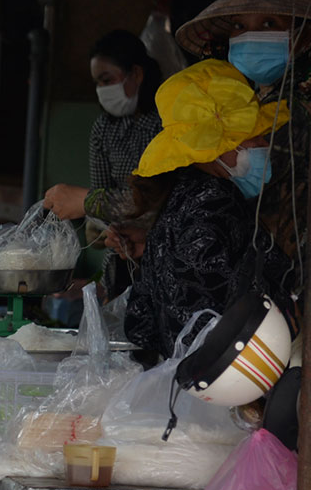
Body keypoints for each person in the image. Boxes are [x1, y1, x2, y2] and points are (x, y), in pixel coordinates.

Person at [120, 60, 295, 359]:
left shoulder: (183, 197)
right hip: (222, 385)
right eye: (253, 136)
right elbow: (217, 322)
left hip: (182, 384)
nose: (264, 144)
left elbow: (141, 323)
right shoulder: (214, 202)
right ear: (215, 145)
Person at [175, 0, 311, 268]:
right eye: (239, 26)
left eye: (268, 24)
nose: (250, 36)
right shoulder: (244, 103)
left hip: (291, 276)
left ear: (302, 36)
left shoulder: (296, 107)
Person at [41, 30, 163, 298]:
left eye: (107, 80)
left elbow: (156, 201)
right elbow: (102, 212)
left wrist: (85, 201)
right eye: (97, 83)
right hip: (124, 255)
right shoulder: (103, 129)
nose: (102, 90)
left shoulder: (164, 124)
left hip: (166, 253)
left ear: (137, 74)